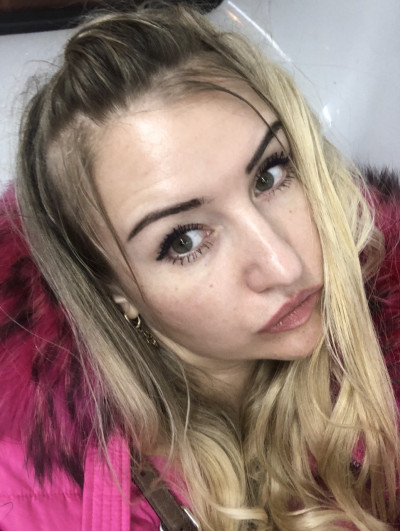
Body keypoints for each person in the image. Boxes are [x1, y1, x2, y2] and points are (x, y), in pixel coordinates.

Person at [0, 4, 399, 530]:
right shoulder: (28, 497)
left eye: (270, 176)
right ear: (112, 289)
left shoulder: (383, 339)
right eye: (184, 240)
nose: (284, 265)